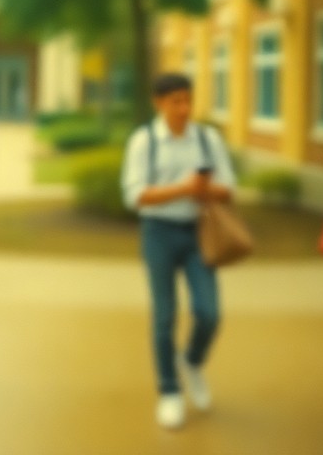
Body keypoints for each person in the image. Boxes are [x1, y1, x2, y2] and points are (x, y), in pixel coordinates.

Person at [120, 73, 237, 430]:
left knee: (210, 312)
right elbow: (134, 195)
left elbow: (229, 188)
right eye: (176, 102)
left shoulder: (206, 137)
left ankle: (192, 362)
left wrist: (206, 189)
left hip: (198, 231)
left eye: (188, 100)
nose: (184, 109)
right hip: (158, 232)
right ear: (159, 103)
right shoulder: (144, 141)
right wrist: (183, 188)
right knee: (165, 315)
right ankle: (169, 391)